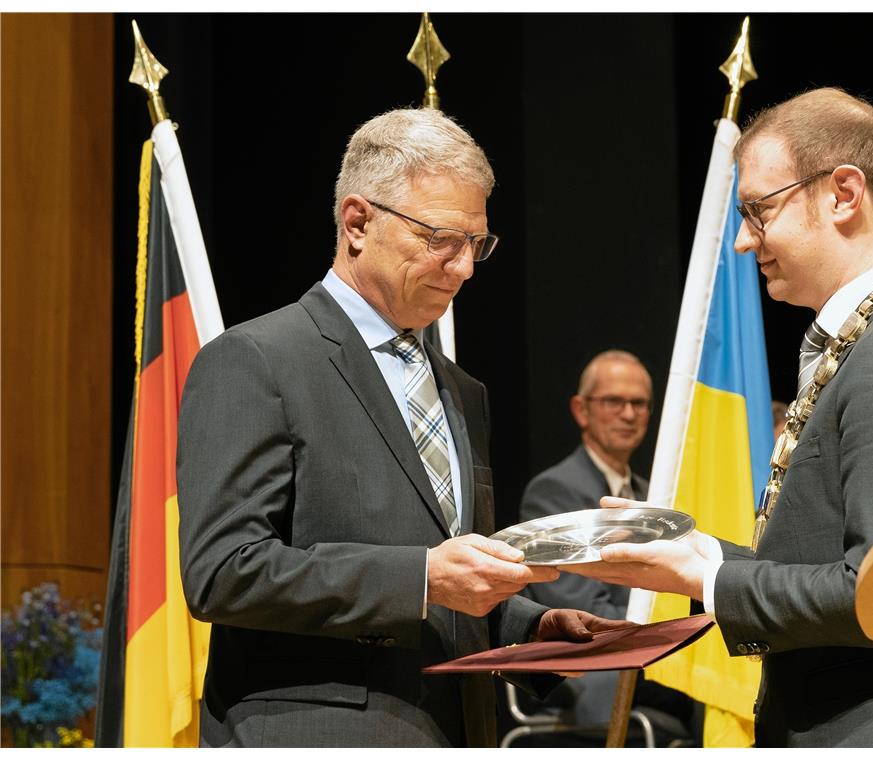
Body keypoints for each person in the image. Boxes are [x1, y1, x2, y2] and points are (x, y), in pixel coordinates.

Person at [566, 87, 873, 747]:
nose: (745, 241)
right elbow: (840, 558)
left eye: (759, 211)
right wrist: (699, 552)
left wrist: (709, 577)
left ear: (844, 194)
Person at [176, 108, 627, 748]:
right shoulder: (255, 359)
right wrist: (421, 577)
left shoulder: (463, 391)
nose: (465, 267)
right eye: (442, 238)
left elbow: (450, 567)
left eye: (477, 244)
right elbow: (223, 571)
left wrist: (531, 625)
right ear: (358, 222)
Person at [518, 351, 695, 735]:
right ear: (581, 410)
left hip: (651, 656)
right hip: (593, 667)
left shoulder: (653, 496)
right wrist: (662, 622)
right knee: (708, 689)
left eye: (639, 403)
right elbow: (580, 608)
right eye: (614, 401)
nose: (629, 414)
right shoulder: (554, 491)